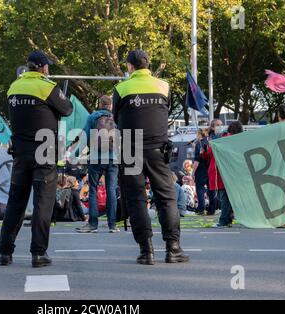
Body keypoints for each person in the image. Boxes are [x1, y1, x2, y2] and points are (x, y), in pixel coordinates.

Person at [113, 49, 189, 265]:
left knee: (136, 199)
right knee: (166, 198)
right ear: (148, 64)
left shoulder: (121, 88)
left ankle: (146, 251)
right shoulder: (163, 86)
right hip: (158, 148)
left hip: (131, 148)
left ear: (130, 66)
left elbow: (117, 118)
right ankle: (173, 248)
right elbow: (167, 110)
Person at [0, 51, 73, 267]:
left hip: (20, 151)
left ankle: (5, 251)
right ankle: (38, 253)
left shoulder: (14, 87)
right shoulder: (46, 86)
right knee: (43, 202)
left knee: (16, 201)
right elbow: (67, 109)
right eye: (47, 66)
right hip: (44, 150)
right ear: (42, 68)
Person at [76, 95, 119, 233]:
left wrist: (75, 154)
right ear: (110, 105)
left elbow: (84, 137)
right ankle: (112, 225)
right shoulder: (116, 116)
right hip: (113, 158)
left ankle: (93, 224)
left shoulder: (93, 117)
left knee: (93, 189)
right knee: (111, 190)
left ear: (100, 104)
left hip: (96, 157)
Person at [203, 121, 243, 228]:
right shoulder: (237, 139)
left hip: (221, 172)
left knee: (224, 197)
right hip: (232, 172)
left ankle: (224, 221)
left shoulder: (223, 138)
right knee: (229, 197)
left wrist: (206, 148)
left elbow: (211, 152)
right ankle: (228, 218)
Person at [193, 127, 216, 215]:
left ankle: (201, 208)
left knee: (200, 189)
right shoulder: (210, 142)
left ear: (199, 134)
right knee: (211, 190)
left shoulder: (199, 143)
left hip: (201, 170)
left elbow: (197, 160)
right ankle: (212, 209)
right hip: (210, 168)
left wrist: (193, 172)